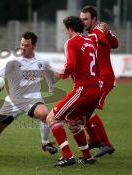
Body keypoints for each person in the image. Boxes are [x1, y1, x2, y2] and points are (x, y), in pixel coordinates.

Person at [0, 31, 58, 156]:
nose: (23, 48)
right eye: (21, 44)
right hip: (13, 100)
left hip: (33, 99)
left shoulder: (41, 61)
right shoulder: (12, 61)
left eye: (27, 45)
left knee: (44, 114)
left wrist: (52, 83)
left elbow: (51, 75)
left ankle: (45, 143)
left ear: (34, 46)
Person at [46, 16, 101, 167]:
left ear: (70, 28)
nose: (65, 32)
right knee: (73, 122)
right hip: (96, 90)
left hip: (83, 89)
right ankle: (87, 157)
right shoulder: (90, 43)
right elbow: (97, 67)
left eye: (66, 29)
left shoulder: (71, 42)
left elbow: (70, 65)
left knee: (51, 118)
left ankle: (67, 156)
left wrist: (60, 74)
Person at [80, 6, 118, 157]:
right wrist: (107, 32)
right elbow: (115, 44)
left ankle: (106, 144)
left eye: (85, 19)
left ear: (94, 20)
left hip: (104, 78)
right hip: (97, 78)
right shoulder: (95, 33)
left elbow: (109, 44)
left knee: (87, 110)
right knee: (84, 110)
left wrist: (104, 33)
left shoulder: (96, 33)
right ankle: (95, 140)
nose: (82, 22)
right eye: (81, 19)